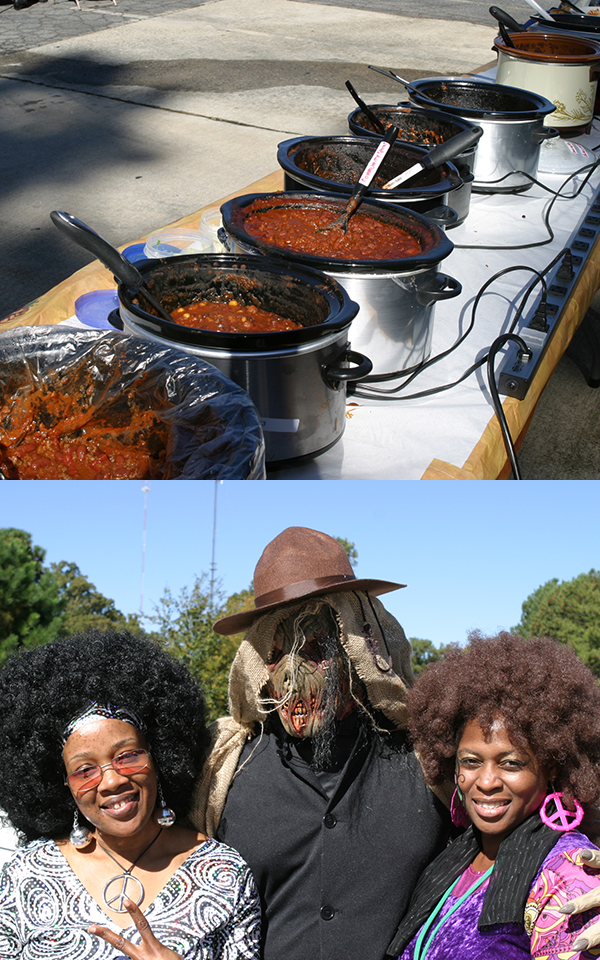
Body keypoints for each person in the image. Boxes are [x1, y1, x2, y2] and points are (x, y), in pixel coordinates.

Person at [190, 526, 452, 960]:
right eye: (275, 655)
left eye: (313, 649)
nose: (290, 676)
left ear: (358, 651)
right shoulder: (221, 769)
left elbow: (522, 825)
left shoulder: (432, 762)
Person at [0, 630, 261, 960]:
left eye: (127, 756)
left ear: (160, 758)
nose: (111, 781)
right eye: (85, 770)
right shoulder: (28, 873)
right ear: (62, 783)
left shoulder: (221, 874)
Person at [386, 631, 600, 960]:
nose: (486, 782)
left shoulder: (567, 869)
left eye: (511, 763)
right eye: (470, 761)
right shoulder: (454, 856)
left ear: (552, 768)